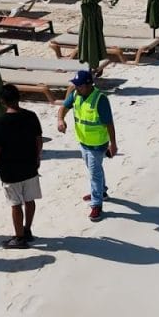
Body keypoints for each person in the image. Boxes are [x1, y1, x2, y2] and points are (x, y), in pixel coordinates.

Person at [0, 84, 44, 248]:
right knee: (30, 200)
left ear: (2, 101)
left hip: (10, 170)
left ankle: (19, 238)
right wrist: (37, 157)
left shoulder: (0, 122)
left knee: (15, 204)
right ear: (18, 98)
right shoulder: (31, 116)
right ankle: (27, 230)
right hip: (30, 166)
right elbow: (38, 140)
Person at [56, 71, 116, 221]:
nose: (76, 88)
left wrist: (113, 144)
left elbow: (109, 123)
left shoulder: (100, 100)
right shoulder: (76, 95)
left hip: (97, 144)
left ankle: (97, 204)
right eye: (75, 85)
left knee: (94, 174)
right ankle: (101, 191)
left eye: (79, 86)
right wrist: (60, 120)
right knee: (94, 168)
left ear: (89, 85)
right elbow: (63, 108)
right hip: (83, 141)